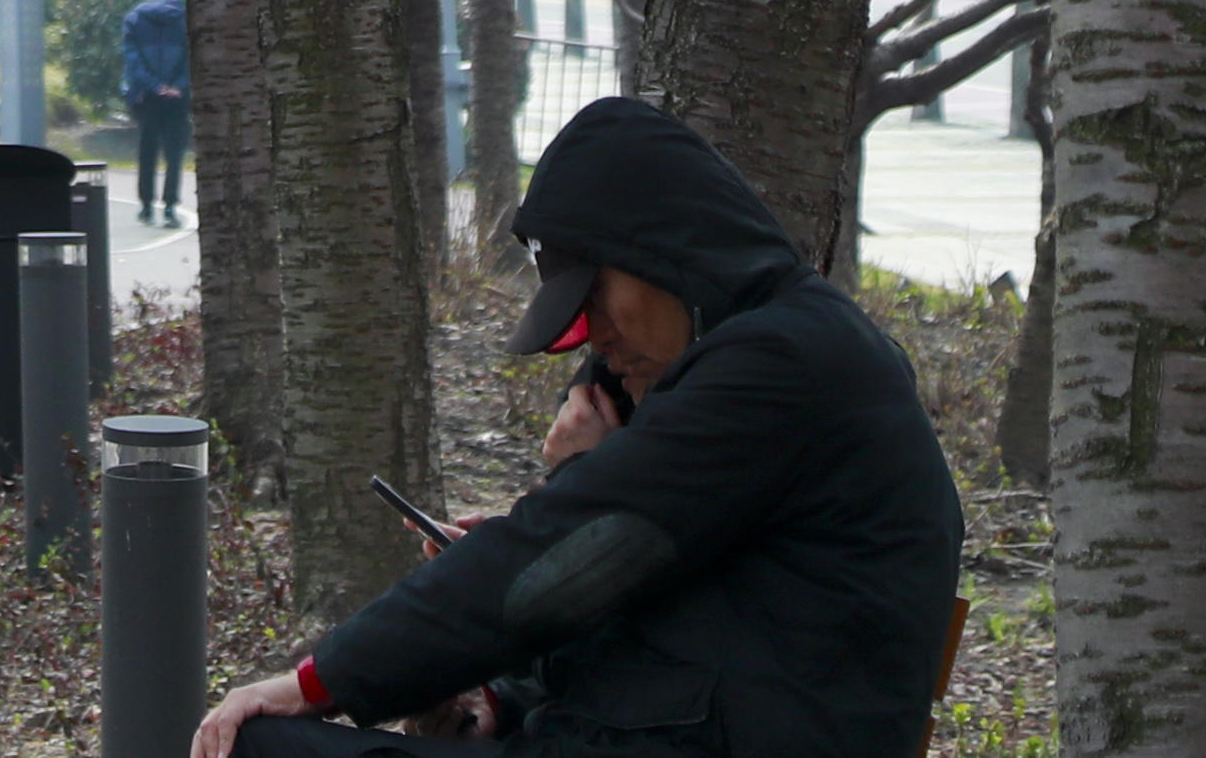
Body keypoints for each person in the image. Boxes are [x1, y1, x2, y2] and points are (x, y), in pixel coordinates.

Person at [190, 97, 961, 758]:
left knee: (259, 743)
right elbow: (676, 604)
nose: (594, 336)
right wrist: (505, 698)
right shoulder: (789, 353)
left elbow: (552, 556)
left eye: (593, 298)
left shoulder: (781, 366)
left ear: (663, 251)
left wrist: (315, 683)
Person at [121, 0, 191, 227]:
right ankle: (171, 206)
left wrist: (154, 86)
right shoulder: (185, 17)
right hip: (177, 95)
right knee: (174, 152)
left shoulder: (133, 19)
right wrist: (177, 86)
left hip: (146, 96)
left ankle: (146, 206)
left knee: (147, 149)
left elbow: (132, 61)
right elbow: (189, 56)